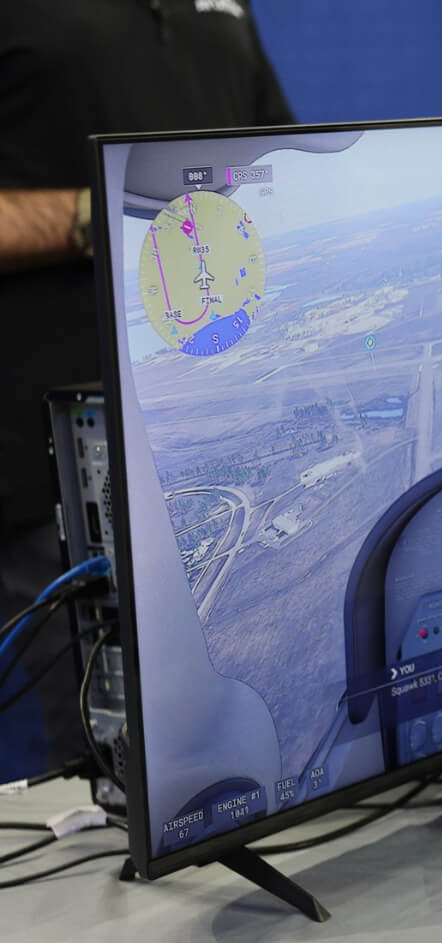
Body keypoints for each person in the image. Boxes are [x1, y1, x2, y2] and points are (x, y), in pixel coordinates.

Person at [0, 0, 296, 779]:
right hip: (60, 471)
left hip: (217, 423)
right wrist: (102, 209)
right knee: (132, 785)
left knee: (270, 731)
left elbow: (273, 156)